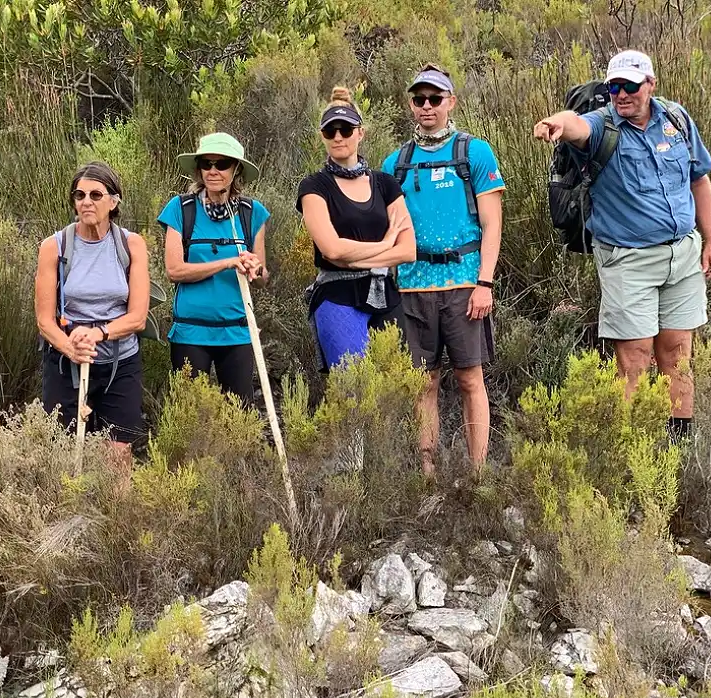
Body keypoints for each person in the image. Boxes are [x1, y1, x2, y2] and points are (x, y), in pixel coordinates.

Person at [534, 49, 711, 439]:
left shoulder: (676, 118)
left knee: (677, 355)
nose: (621, 95)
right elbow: (576, 125)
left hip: (682, 254)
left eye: (630, 87)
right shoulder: (604, 126)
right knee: (634, 358)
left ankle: (676, 450)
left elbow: (699, 180)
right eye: (614, 87)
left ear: (650, 85)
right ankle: (628, 449)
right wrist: (556, 123)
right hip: (628, 261)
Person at [383, 65, 505, 474]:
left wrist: (484, 282)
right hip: (413, 288)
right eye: (419, 99)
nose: (427, 107)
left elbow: (492, 223)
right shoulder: (396, 163)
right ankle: (427, 475)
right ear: (411, 105)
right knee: (424, 384)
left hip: (465, 284)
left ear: (451, 102)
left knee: (470, 379)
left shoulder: (474, 153)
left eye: (436, 99)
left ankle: (477, 473)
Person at [34, 162, 150, 456]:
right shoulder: (55, 246)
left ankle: (116, 504)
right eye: (79, 195)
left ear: (113, 201)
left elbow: (137, 317)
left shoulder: (131, 245)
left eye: (96, 195)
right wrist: (70, 348)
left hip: (119, 360)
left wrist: (99, 334)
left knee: (118, 452)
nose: (86, 202)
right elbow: (45, 321)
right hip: (65, 361)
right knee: (63, 448)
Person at [297, 87, 417, 369]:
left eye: (346, 129)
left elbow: (408, 250)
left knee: (395, 385)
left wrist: (360, 255)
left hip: (385, 295)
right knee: (351, 391)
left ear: (360, 133)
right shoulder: (313, 186)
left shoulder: (385, 184)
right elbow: (332, 250)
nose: (338, 137)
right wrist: (386, 245)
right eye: (330, 131)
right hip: (338, 296)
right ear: (323, 137)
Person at [159, 132, 270, 405]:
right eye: (206, 164)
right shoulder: (180, 209)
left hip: (237, 332)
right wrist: (228, 262)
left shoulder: (251, 213)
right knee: (188, 417)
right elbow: (174, 270)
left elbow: (262, 278)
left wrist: (256, 270)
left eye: (222, 165)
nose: (213, 171)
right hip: (190, 332)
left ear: (236, 170)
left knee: (238, 418)